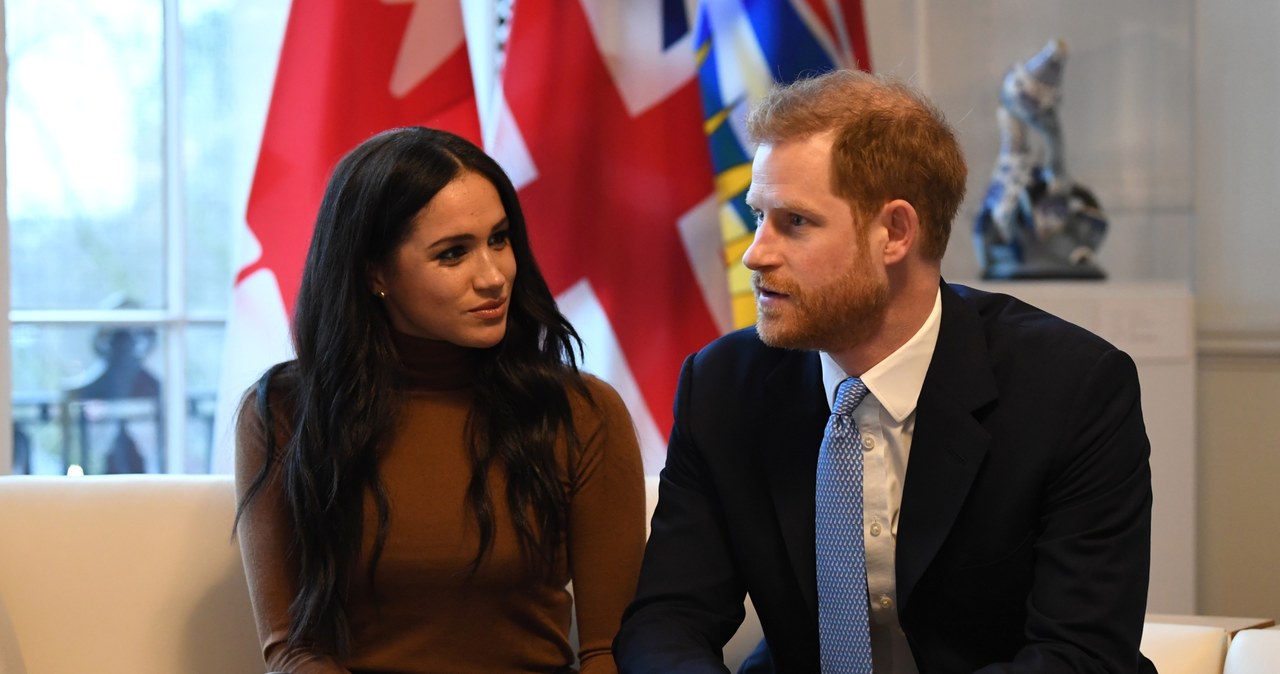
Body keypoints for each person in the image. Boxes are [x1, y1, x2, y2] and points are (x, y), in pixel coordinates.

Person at [614, 70, 1156, 673]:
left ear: (894, 232)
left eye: (794, 222)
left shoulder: (1072, 389)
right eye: (757, 216)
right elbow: (666, 624)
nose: (754, 253)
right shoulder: (723, 387)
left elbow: (1080, 656)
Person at [234, 127, 646, 674]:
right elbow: (294, 648)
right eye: (454, 254)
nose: (494, 276)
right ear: (375, 274)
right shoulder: (284, 411)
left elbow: (609, 650)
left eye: (500, 239)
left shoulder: (581, 412)